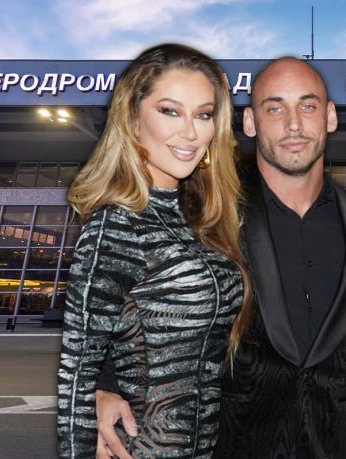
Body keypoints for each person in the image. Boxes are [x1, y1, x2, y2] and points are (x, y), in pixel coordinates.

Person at [96, 57, 346, 458]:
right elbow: (133, 303)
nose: (293, 124)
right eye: (275, 108)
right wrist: (105, 384)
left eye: (307, 106)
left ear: (330, 116)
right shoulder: (201, 212)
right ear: (250, 122)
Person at [56, 43, 252, 458]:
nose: (191, 132)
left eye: (203, 115)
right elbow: (77, 373)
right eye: (170, 111)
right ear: (132, 119)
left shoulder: (198, 222)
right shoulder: (117, 225)